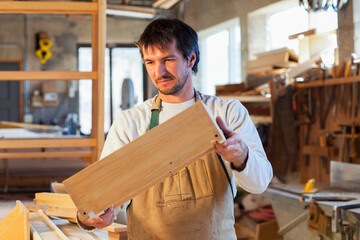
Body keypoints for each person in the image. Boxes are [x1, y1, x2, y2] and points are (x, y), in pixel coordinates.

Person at [77, 17, 273, 239]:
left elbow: (260, 184)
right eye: (150, 62)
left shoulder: (227, 113)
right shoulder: (131, 122)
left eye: (168, 59)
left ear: (191, 59)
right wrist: (88, 217)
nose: (158, 72)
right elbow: (104, 196)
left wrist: (242, 156)